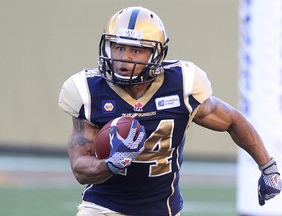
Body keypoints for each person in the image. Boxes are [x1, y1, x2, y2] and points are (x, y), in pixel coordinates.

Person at [58, 6, 282, 216]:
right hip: (103, 207)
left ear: (156, 55)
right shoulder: (89, 91)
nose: (124, 58)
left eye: (136, 50)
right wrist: (112, 163)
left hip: (163, 209)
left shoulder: (181, 86)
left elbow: (232, 120)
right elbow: (80, 167)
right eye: (119, 47)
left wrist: (268, 167)